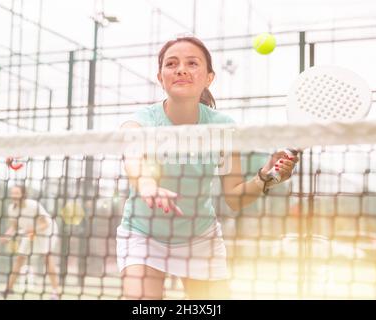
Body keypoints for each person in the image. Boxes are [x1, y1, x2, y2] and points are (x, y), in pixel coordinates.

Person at [117, 36, 298, 299]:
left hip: (200, 240)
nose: (181, 69)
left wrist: (265, 177)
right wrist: (147, 185)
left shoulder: (222, 127)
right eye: (171, 63)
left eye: (192, 63)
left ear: (209, 78)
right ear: (160, 77)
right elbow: (132, 154)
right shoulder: (142, 120)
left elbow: (234, 198)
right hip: (143, 235)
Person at [0, 185, 60, 300]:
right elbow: (14, 227)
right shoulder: (11, 209)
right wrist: (7, 236)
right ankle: (8, 289)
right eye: (13, 193)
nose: (14, 196)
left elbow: (45, 224)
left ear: (23, 194)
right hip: (30, 232)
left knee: (47, 257)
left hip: (47, 231)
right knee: (19, 259)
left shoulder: (33, 205)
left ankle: (55, 292)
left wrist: (33, 231)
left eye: (17, 193)